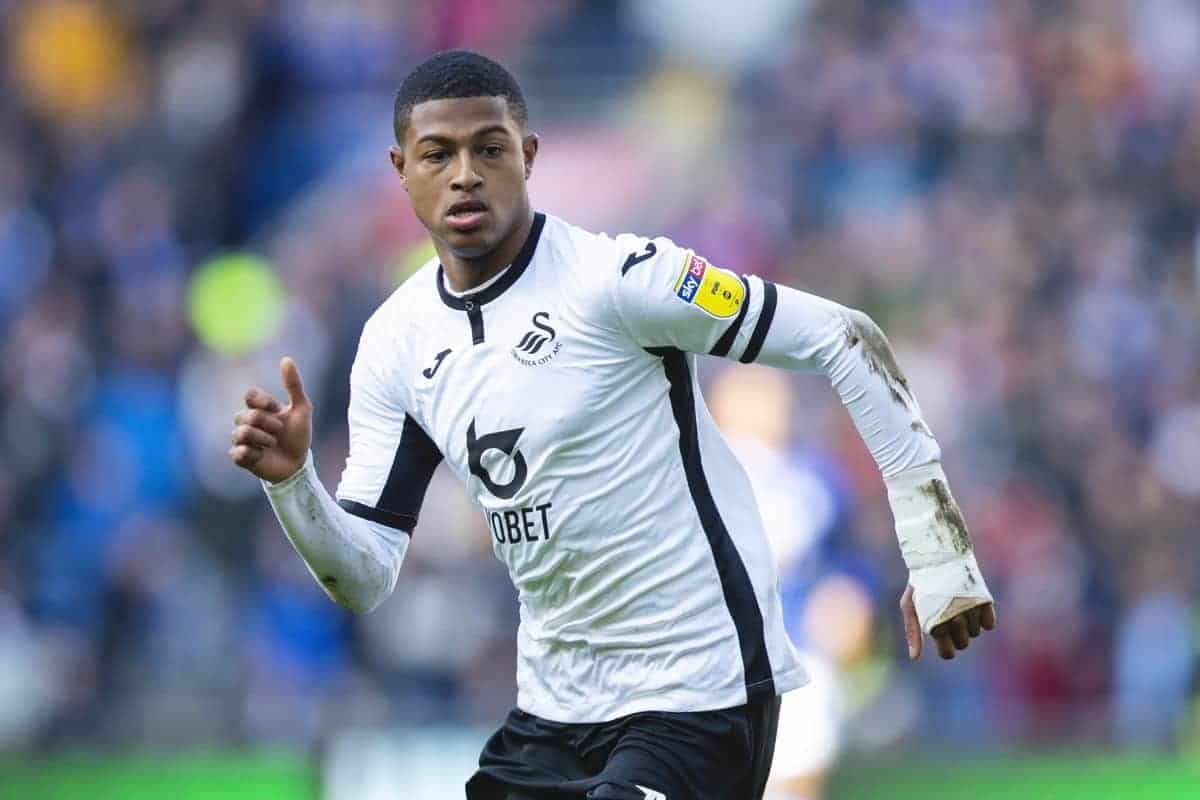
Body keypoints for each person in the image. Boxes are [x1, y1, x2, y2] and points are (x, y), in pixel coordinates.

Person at [229, 50, 996, 800]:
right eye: (438, 154)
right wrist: (294, 486)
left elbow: (844, 334)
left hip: (700, 693)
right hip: (554, 713)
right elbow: (363, 578)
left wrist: (939, 550)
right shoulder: (395, 344)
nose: (465, 173)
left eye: (488, 149)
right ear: (401, 169)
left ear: (528, 156)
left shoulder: (620, 282)